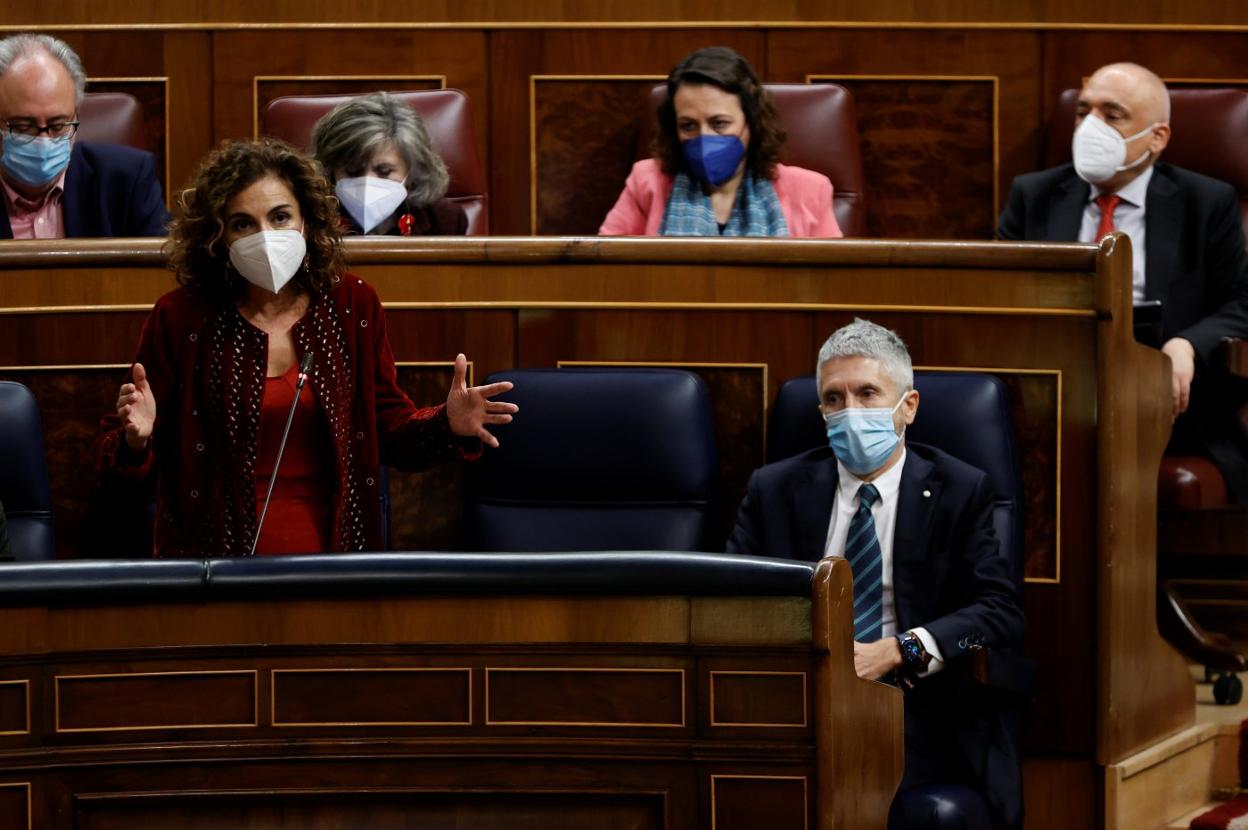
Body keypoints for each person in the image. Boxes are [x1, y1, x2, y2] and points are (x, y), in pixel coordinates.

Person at [93, 139, 515, 558]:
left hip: (334, 559)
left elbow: (388, 430)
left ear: (307, 222)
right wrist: (137, 441)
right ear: (218, 236)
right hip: (212, 567)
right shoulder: (181, 317)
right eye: (243, 224)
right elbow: (116, 468)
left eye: (280, 217)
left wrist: (447, 424)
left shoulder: (352, 305)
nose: (265, 237)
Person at [726, 319, 1025, 827]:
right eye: (834, 399)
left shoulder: (959, 489)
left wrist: (897, 651)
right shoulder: (775, 489)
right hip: (792, 700)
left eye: (868, 394)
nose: (850, 412)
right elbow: (730, 599)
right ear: (821, 410)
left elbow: (997, 612)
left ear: (907, 406)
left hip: (910, 706)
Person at [998, 62, 1248, 501]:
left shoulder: (1205, 202)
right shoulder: (1034, 194)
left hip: (1163, 392)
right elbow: (999, 293)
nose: (1090, 127)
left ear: (1157, 137)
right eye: (1082, 112)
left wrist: (1187, 345)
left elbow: (1241, 301)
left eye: (1112, 115)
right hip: (1055, 384)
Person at [599, 46, 841, 238]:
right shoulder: (646, 182)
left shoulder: (810, 190)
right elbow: (608, 272)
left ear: (753, 122)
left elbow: (830, 285)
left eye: (720, 123)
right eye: (688, 126)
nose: (705, 138)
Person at [0, 33, 168, 239]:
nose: (44, 141)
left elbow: (161, 269)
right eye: (24, 126)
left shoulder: (127, 180)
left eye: (58, 125)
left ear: (76, 115)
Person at [311, 92, 467, 237]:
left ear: (412, 173)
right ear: (330, 172)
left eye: (384, 171)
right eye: (352, 171)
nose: (367, 183)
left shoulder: (445, 220)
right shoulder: (312, 219)